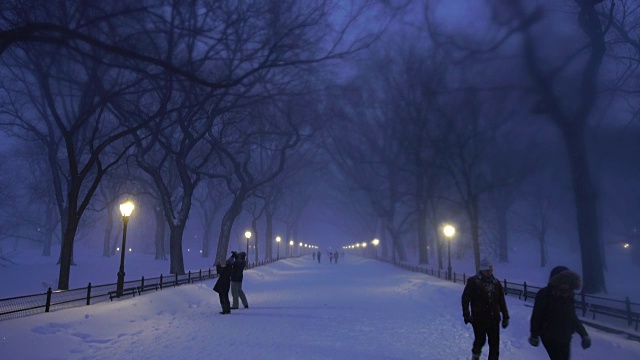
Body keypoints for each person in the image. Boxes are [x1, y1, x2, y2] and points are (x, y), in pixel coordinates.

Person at [528, 266, 591, 359]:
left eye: (568, 282)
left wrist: (584, 335)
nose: (566, 285)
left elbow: (572, 317)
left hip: (565, 336)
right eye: (563, 282)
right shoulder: (545, 294)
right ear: (556, 281)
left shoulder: (568, 295)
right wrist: (534, 335)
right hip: (549, 335)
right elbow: (537, 315)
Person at [461, 259, 510, 360]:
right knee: (480, 340)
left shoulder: (496, 283)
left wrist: (505, 316)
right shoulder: (473, 282)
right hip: (479, 318)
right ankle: (476, 354)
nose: (489, 272)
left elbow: (501, 301)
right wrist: (466, 314)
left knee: (495, 344)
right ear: (481, 270)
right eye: (487, 270)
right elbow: (465, 298)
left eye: (490, 270)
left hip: (494, 319)